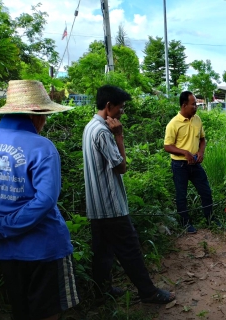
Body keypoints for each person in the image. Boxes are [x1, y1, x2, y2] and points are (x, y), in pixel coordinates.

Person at [82, 84, 175, 304]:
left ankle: (101, 292)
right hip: (111, 204)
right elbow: (121, 167)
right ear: (108, 106)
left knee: (102, 251)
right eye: (121, 107)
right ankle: (148, 292)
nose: (122, 112)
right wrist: (120, 136)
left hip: (96, 205)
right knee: (130, 248)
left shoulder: (89, 127)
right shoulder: (104, 132)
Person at [0, 80, 79, 320]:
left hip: (7, 250)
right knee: (47, 313)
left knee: (21, 311)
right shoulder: (42, 147)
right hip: (44, 248)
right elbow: (45, 200)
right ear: (36, 115)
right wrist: (5, 226)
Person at [164, 91, 214, 234]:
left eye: (196, 104)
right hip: (180, 165)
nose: (196, 107)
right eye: (193, 104)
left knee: (205, 191)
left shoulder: (197, 119)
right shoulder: (173, 124)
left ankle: (210, 218)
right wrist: (185, 152)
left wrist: (201, 152)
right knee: (181, 195)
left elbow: (202, 139)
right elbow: (167, 146)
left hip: (195, 164)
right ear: (184, 105)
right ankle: (186, 223)